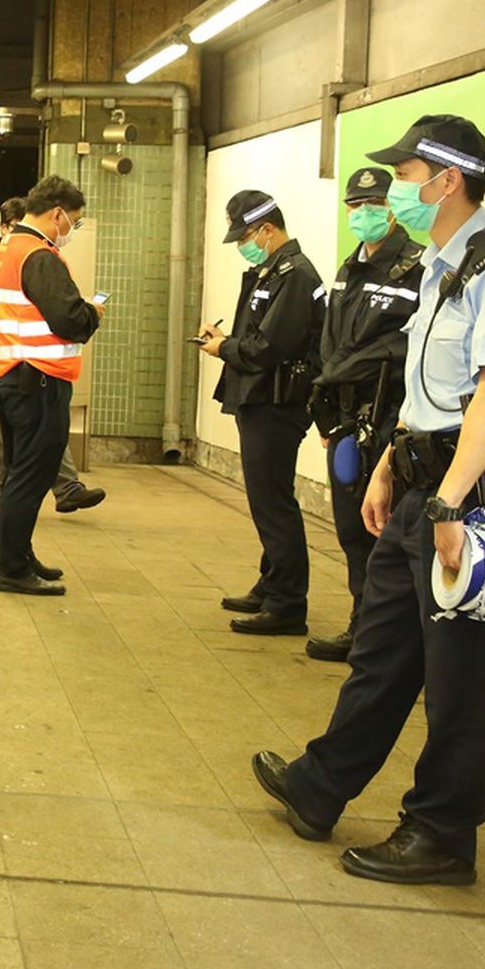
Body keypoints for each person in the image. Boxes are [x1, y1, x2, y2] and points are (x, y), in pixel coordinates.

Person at [253, 114, 485, 886]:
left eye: (408, 174)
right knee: (383, 646)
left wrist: (452, 505)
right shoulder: (437, 264)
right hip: (426, 477)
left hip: (476, 494)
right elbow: (430, 389)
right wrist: (392, 460)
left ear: (447, 180)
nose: (399, 189)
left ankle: (443, 834)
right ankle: (320, 786)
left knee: (459, 671)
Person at [304, 167, 425, 662]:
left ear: (393, 209)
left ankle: (388, 640)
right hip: (347, 421)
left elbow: (405, 345)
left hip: (390, 417)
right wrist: (328, 414)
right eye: (354, 206)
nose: (362, 214)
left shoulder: (418, 267)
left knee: (386, 534)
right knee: (352, 530)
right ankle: (363, 627)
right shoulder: (348, 268)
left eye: (372, 204)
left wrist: (356, 364)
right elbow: (330, 342)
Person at [198, 191, 326, 636]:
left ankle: (288, 604)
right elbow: (259, 334)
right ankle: (272, 583)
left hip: (277, 403)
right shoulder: (270, 270)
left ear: (266, 230)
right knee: (266, 499)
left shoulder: (295, 275)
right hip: (259, 397)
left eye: (244, 237)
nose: (241, 247)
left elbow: (272, 347)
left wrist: (223, 348)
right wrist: (226, 339)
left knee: (274, 503)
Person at [0, 176, 102, 596]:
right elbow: (68, 319)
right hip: (39, 382)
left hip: (9, 378)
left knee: (19, 474)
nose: (73, 229)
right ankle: (12, 569)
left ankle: (21, 555)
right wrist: (93, 314)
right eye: (75, 221)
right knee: (31, 477)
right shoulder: (39, 255)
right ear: (57, 214)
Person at [0, 198, 106, 516]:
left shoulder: (40, 258)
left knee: (45, 429)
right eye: (14, 228)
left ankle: (67, 488)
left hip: (28, 362)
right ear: (3, 227)